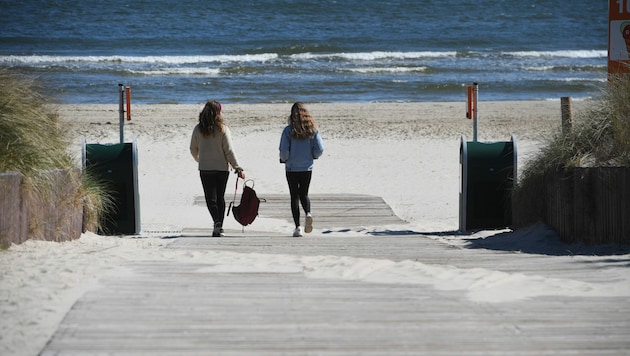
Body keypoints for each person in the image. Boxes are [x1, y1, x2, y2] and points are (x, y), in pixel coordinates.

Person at [190, 100, 245, 237]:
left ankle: (217, 223)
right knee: (220, 197)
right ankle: (219, 225)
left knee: (210, 199)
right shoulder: (223, 129)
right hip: (221, 169)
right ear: (218, 113)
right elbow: (229, 151)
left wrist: (200, 159)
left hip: (205, 168)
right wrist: (237, 168)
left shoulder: (198, 129)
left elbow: (192, 149)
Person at [279, 102, 324, 237]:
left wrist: (285, 159)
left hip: (292, 168)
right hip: (306, 167)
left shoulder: (288, 130)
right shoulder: (312, 130)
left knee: (294, 196)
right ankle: (308, 213)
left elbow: (283, 150)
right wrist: (313, 156)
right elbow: (320, 149)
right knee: (304, 193)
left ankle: (298, 227)